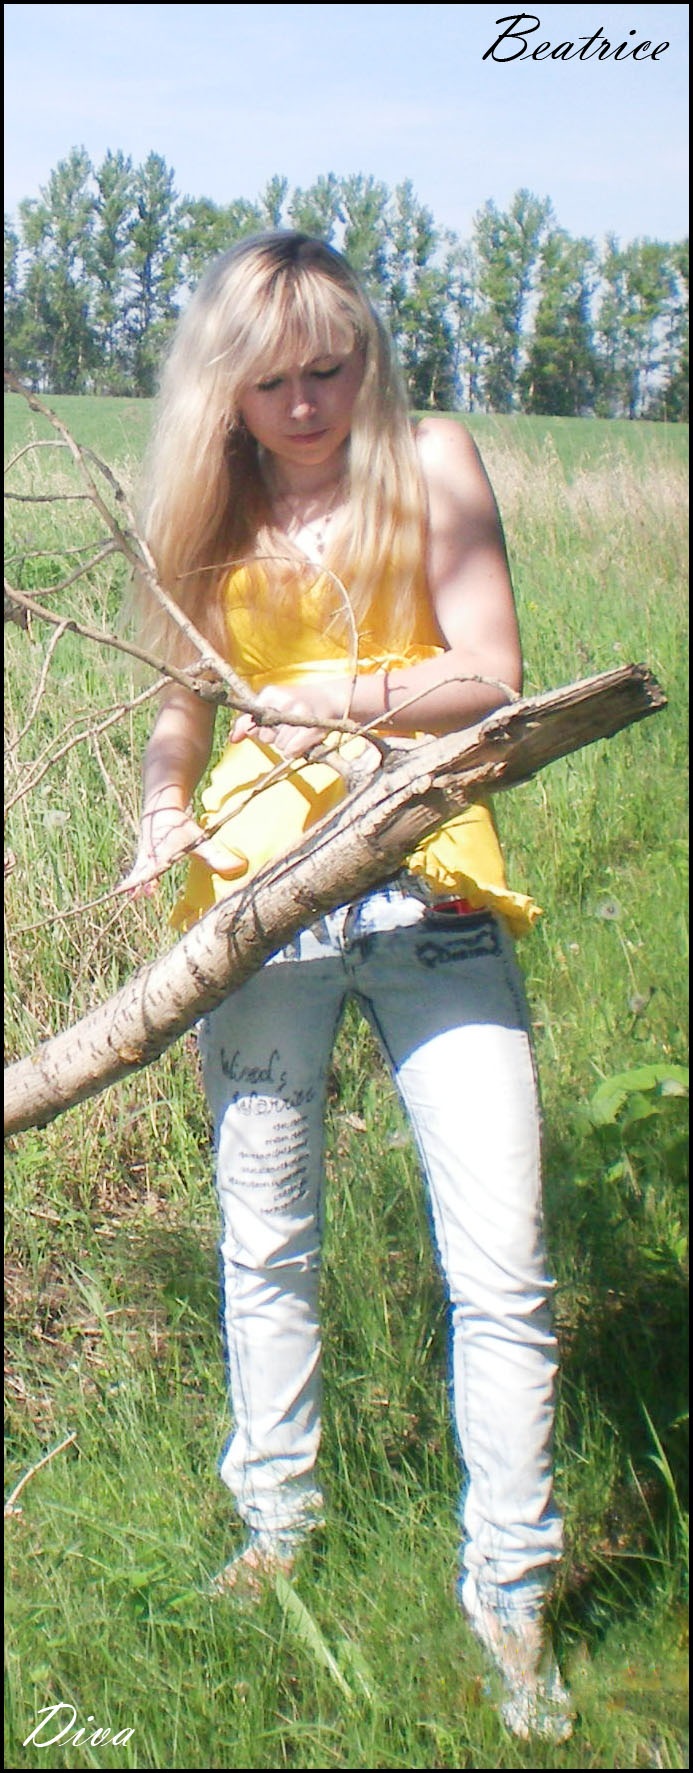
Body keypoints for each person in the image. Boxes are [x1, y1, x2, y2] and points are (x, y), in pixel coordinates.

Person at [125, 231, 573, 1743]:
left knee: (501, 1257)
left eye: (331, 368)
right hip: (256, 910)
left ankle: (510, 1590)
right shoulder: (206, 506)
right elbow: (183, 709)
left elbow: (491, 671)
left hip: (432, 883)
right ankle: (276, 1525)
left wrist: (333, 697)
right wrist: (161, 805)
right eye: (273, 383)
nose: (308, 405)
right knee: (264, 1236)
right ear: (226, 391)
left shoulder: (431, 460)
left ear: (365, 357)